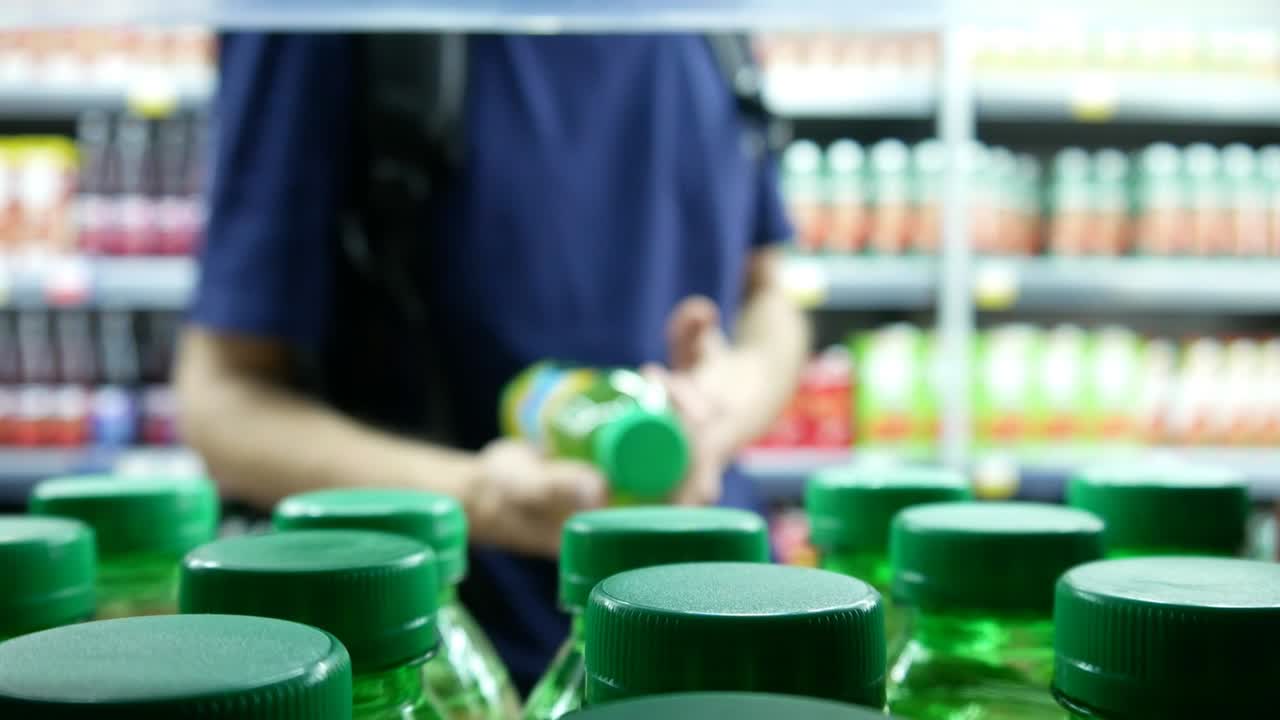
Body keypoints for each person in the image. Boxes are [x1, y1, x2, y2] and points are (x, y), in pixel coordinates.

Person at [175, 32, 809, 691]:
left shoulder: (710, 27)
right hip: (448, 671)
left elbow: (768, 292)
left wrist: (725, 408)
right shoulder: (333, 29)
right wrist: (481, 499)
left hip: (725, 635)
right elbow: (223, 399)